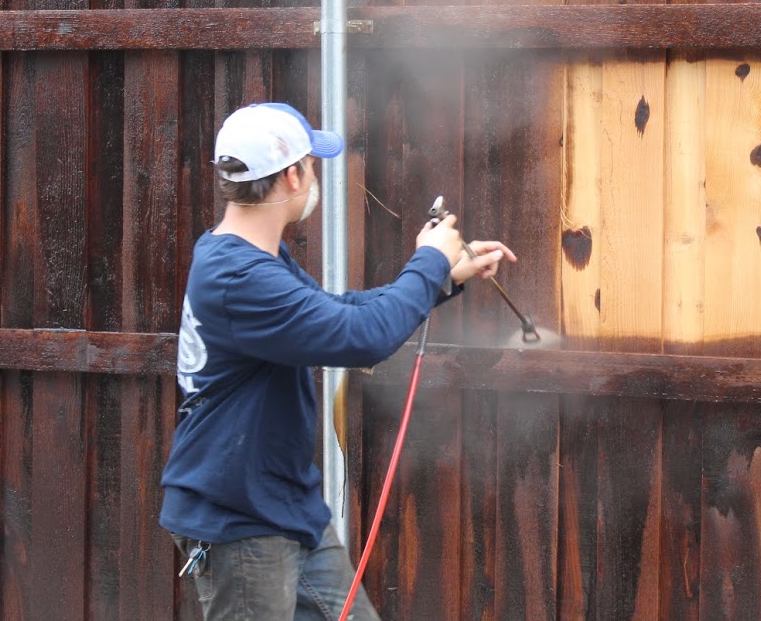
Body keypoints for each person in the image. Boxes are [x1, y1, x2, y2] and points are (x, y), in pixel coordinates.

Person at [160, 102, 514, 621]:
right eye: (311, 163)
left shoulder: (250, 260)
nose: (314, 176)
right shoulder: (239, 277)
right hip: (238, 517)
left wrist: (444, 277)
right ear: (291, 175)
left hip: (281, 502)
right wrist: (429, 258)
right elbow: (362, 337)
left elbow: (338, 313)